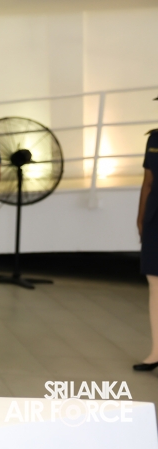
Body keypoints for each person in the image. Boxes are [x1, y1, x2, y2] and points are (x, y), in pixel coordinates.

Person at [134, 118, 158, 371]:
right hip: (155, 217)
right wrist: (141, 217)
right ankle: (156, 351)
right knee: (154, 282)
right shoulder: (154, 139)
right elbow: (148, 182)